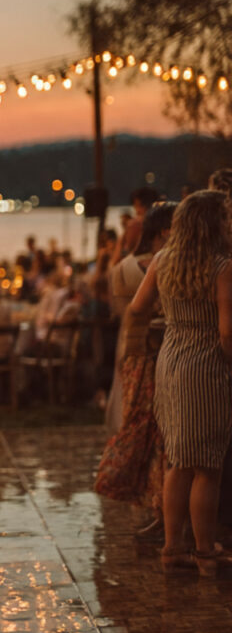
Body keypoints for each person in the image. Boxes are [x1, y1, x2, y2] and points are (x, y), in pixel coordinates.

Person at [129, 190, 232, 576]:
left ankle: (174, 549)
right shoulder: (222, 267)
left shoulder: (162, 260)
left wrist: (173, 313)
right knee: (208, 465)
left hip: (170, 360)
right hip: (205, 364)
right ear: (212, 223)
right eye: (225, 217)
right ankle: (206, 553)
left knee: (178, 460)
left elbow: (137, 307)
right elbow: (227, 332)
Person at [94, 202, 175, 529]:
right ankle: (161, 510)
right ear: (164, 231)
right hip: (164, 353)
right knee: (162, 436)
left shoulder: (123, 270)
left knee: (140, 428)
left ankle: (156, 505)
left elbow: (120, 314)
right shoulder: (171, 265)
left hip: (134, 354)